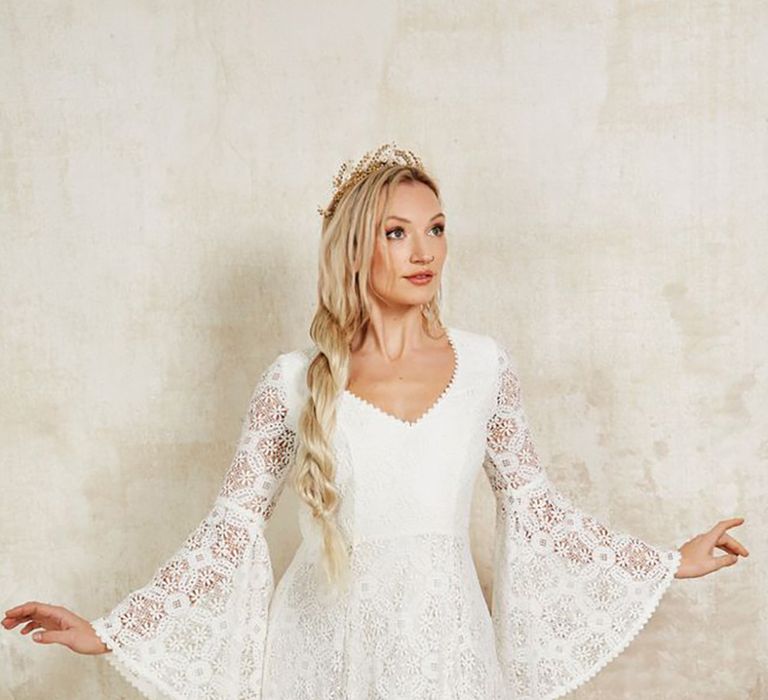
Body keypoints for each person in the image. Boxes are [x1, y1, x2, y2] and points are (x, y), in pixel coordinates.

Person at [3, 142, 750, 699]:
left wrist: (667, 563)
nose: (425, 252)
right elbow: (228, 534)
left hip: (445, 653)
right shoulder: (293, 381)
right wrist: (112, 632)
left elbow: (537, 511)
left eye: (436, 228)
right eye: (397, 233)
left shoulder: (485, 367)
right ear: (357, 248)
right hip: (320, 654)